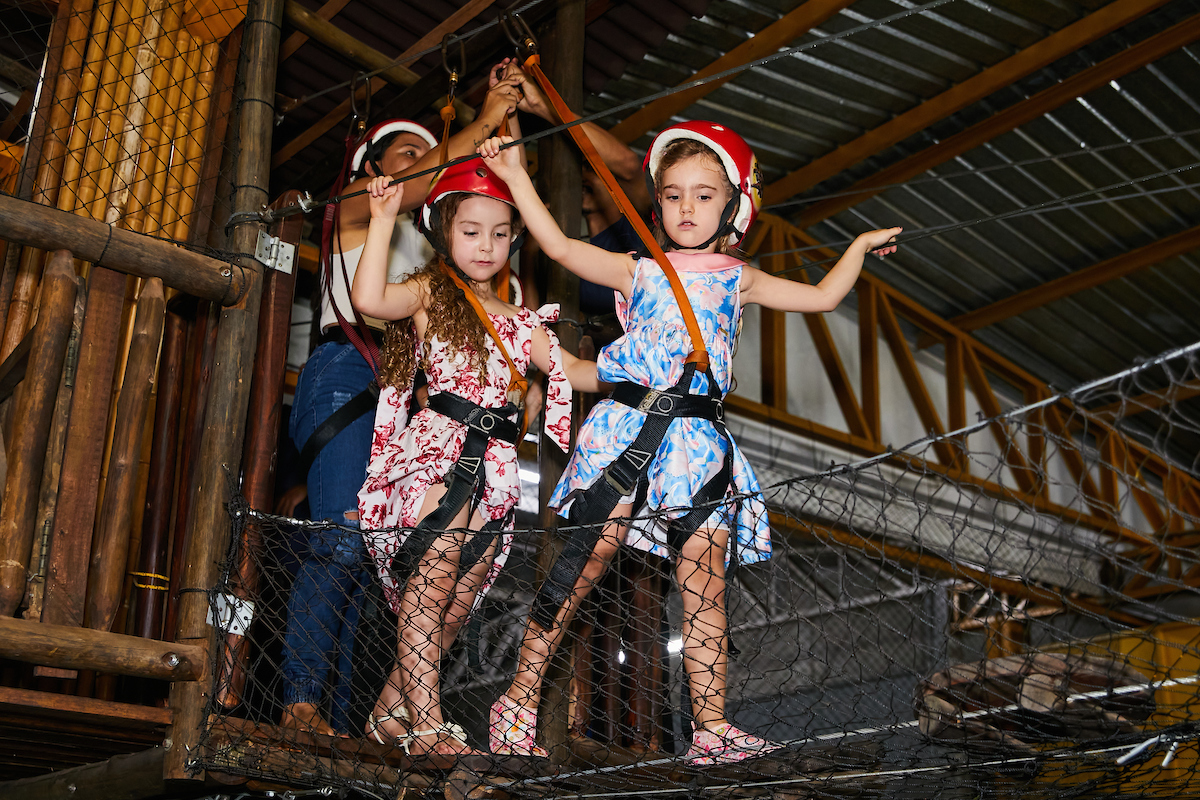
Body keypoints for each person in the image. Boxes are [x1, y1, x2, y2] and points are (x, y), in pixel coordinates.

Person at [478, 121, 900, 764]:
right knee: (585, 562)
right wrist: (514, 177)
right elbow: (561, 248)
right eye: (673, 194)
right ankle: (517, 700)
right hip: (630, 430)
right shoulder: (637, 270)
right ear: (657, 201)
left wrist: (859, 247)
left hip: (700, 443)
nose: (686, 208)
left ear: (731, 204)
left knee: (704, 580)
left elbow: (821, 297)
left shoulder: (739, 278)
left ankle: (710, 727)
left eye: (704, 195)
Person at [279, 75, 526, 737]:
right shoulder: (358, 206)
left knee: (377, 555)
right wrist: (486, 117)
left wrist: (503, 138)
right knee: (342, 534)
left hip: (399, 392)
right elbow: (425, 185)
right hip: (346, 371)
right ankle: (300, 699)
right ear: (373, 170)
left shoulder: (433, 265)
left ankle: (345, 713)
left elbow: (468, 201)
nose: (420, 165)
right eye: (407, 156)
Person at [351, 158, 605, 756]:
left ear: (514, 237)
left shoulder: (521, 321)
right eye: (471, 231)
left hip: (495, 469)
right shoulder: (429, 292)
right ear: (444, 231)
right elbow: (368, 299)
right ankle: (429, 723)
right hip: (438, 452)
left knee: (459, 603)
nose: (486, 245)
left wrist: (648, 369)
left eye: (499, 233)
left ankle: (388, 716)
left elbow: (571, 372)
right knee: (431, 580)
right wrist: (383, 219)